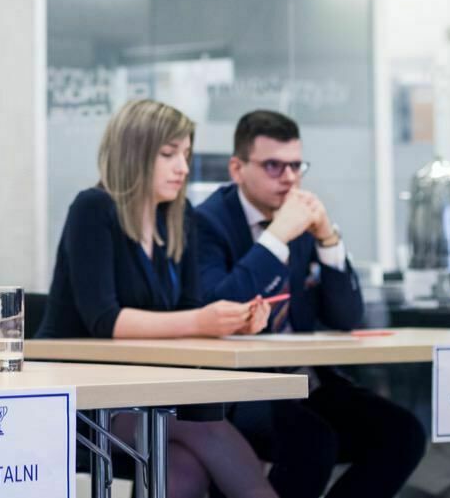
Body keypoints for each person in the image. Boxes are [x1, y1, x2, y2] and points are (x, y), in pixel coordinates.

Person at [38, 98, 279, 498]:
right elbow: (106, 321)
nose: (183, 168)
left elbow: (186, 313)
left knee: (182, 469)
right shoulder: (93, 208)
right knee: (204, 426)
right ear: (134, 154)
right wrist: (202, 321)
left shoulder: (177, 218)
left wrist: (231, 323)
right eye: (169, 155)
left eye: (185, 154)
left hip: (141, 395)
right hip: (79, 399)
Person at [196, 110, 425, 498]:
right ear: (237, 169)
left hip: (306, 381)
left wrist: (328, 241)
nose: (288, 177)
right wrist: (277, 237)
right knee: (312, 441)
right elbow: (222, 305)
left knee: (403, 434)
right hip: (241, 389)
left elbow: (348, 317)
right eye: (273, 166)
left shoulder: (300, 220)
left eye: (295, 166)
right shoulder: (207, 223)